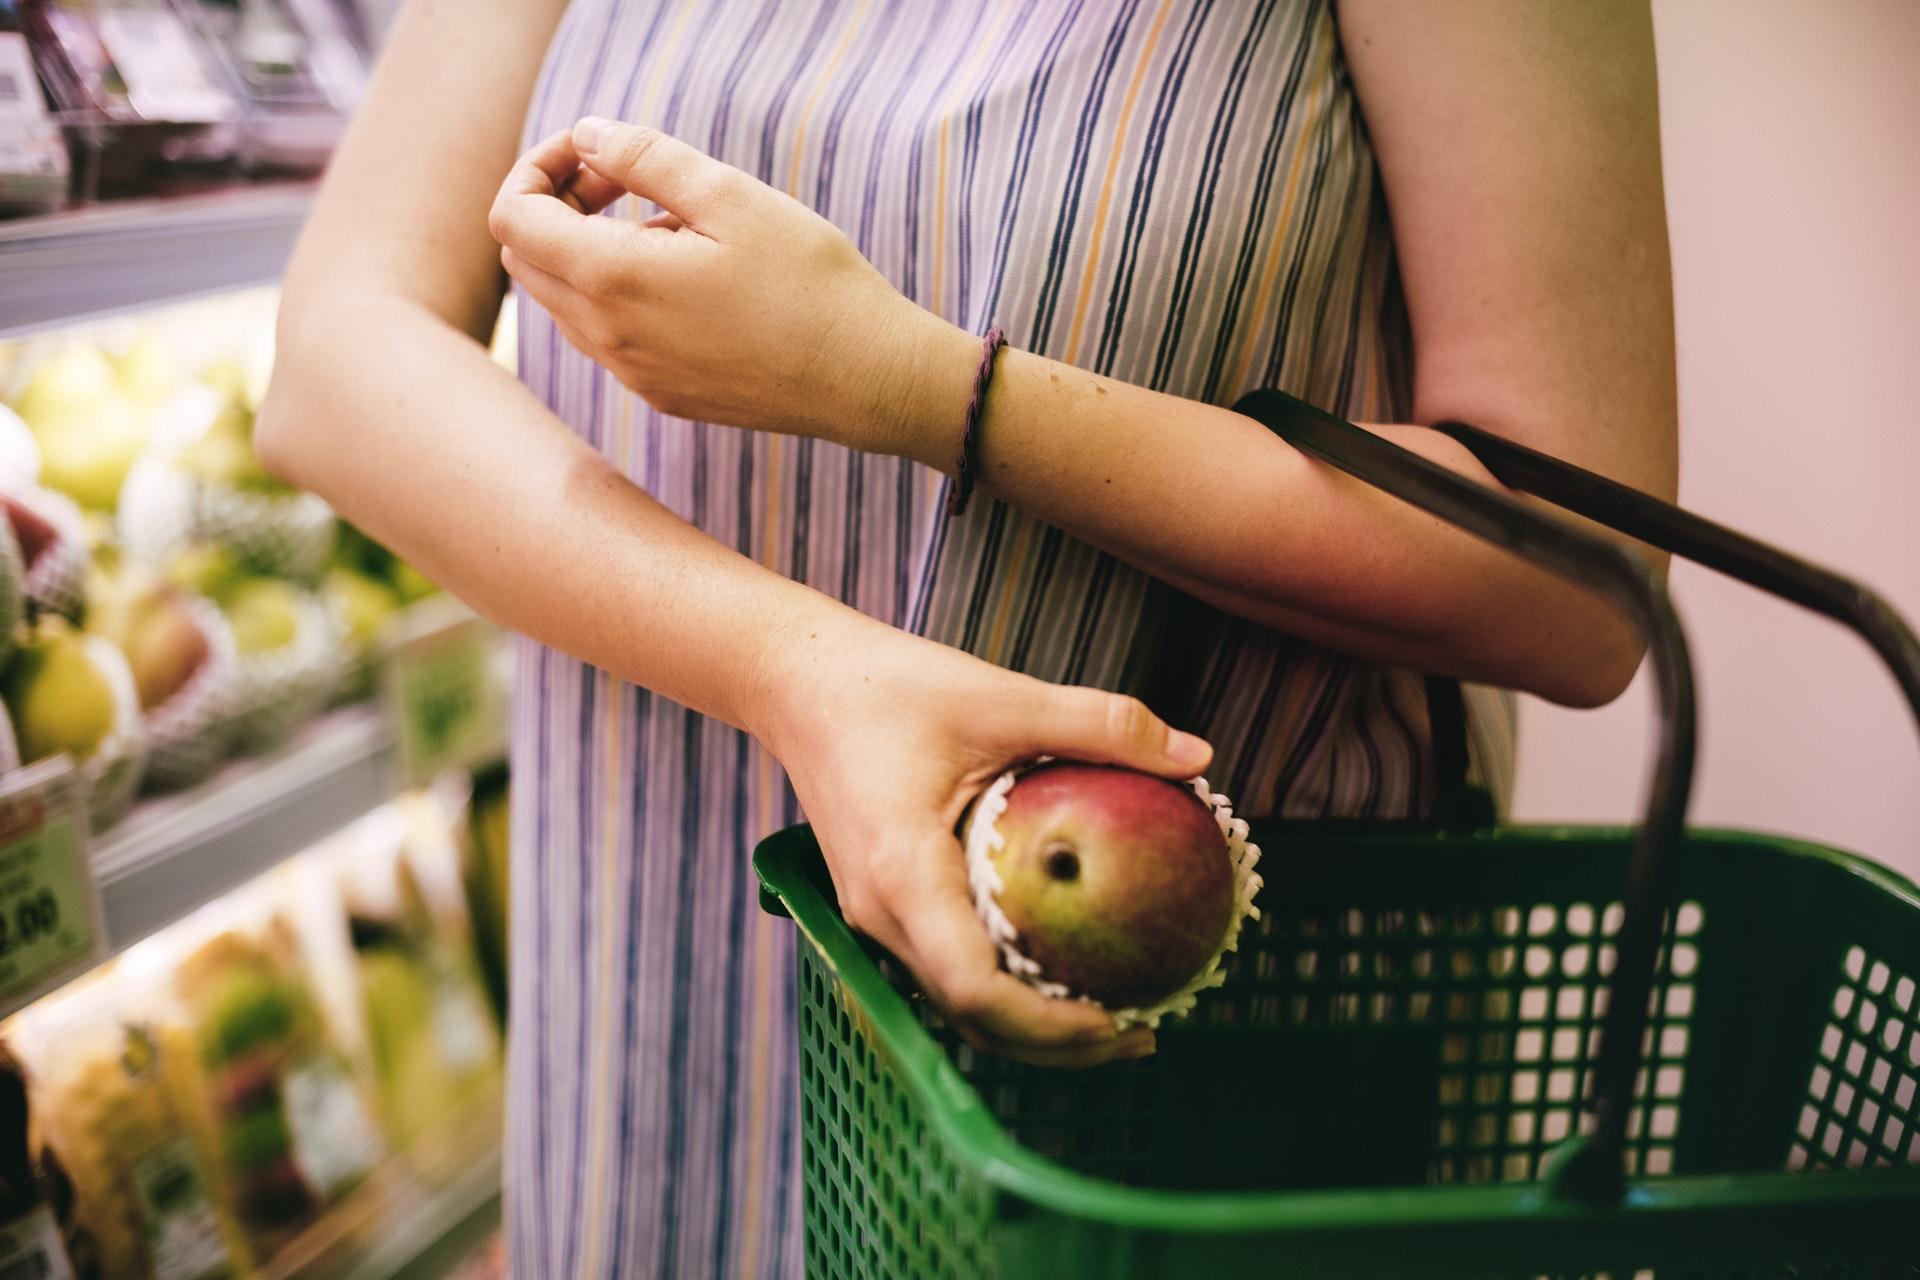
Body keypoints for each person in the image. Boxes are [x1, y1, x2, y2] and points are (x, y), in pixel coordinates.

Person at [257, 1, 1676, 1273]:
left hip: (1182, 1018)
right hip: (657, 963)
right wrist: (796, 669)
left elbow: (1580, 582)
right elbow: (337, 349)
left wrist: (912, 384)